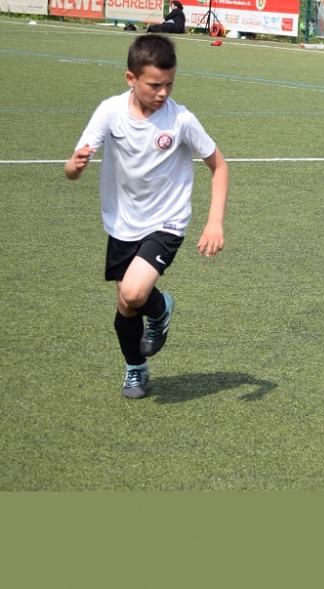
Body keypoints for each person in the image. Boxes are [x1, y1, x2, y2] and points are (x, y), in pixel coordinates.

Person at [64, 34, 228, 399]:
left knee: (135, 291)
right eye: (154, 85)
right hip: (122, 223)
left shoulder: (181, 120)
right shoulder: (110, 112)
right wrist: (76, 165)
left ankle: (161, 307)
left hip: (167, 222)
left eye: (169, 83)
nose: (163, 92)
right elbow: (71, 170)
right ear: (131, 78)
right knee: (127, 303)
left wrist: (214, 221)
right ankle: (135, 367)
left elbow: (219, 166)